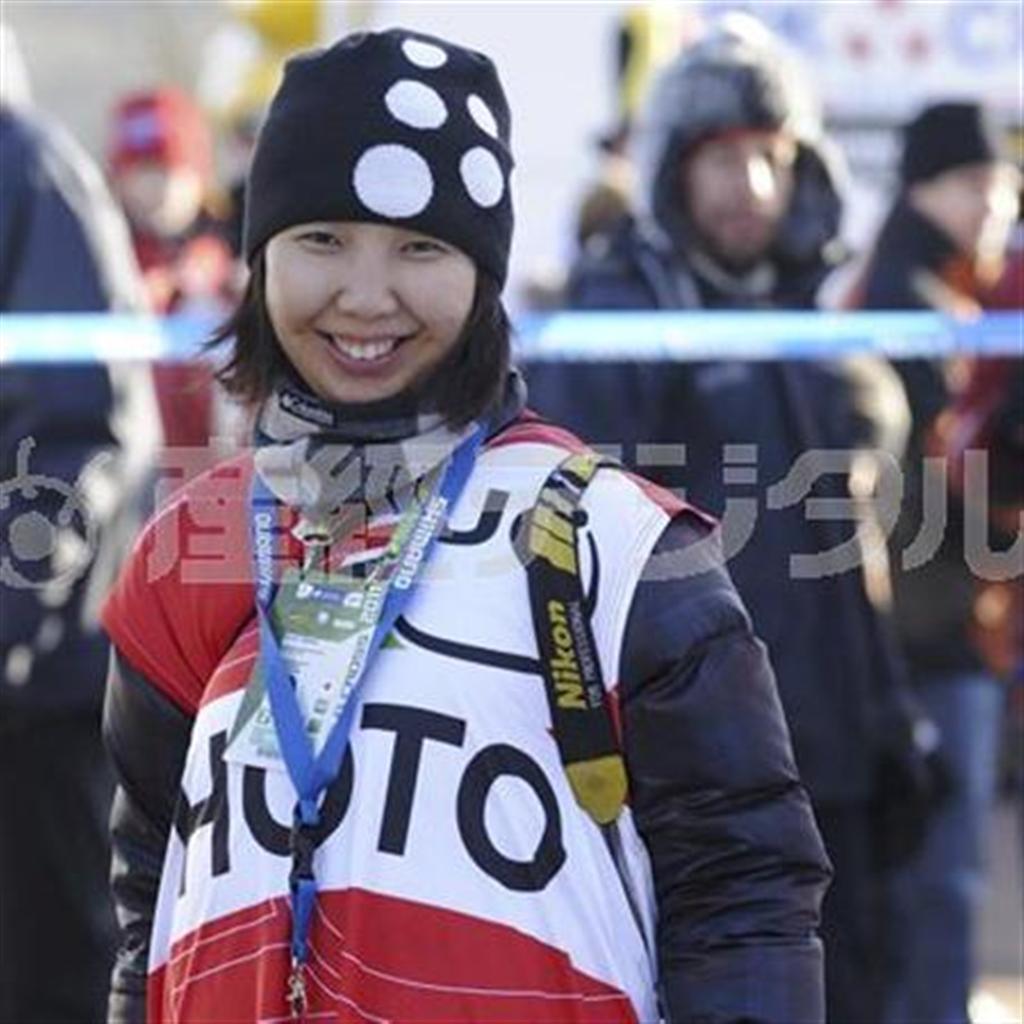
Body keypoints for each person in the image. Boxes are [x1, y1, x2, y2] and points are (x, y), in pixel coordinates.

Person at [100, 28, 830, 1024]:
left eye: (419, 247)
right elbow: (151, 899)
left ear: (483, 277)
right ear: (260, 259)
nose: (366, 295)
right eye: (321, 240)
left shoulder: (617, 548)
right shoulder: (192, 547)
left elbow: (742, 900)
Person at [531, 16, 939, 1024]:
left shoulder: (818, 332)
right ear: (672, 168)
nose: (749, 187)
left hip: (831, 765)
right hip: (688, 781)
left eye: (770, 158)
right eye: (721, 159)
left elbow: (850, 562)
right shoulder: (614, 320)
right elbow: (573, 567)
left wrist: (891, 728)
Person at [0, 20, 158, 1023]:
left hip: (39, 698)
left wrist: (7, 617)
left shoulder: (27, 171)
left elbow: (77, 434)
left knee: (59, 980)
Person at [852, 100, 1021, 1024]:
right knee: (937, 876)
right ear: (923, 188)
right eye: (976, 184)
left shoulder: (924, 289)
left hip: (917, 624)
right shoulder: (910, 305)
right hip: (924, 633)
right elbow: (914, 496)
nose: (997, 203)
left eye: (1005, 183)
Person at [108, 87, 237, 453]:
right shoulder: (106, 261)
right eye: (142, 172)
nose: (157, 188)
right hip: (133, 459)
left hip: (217, 464)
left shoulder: (233, 258)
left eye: (170, 170)